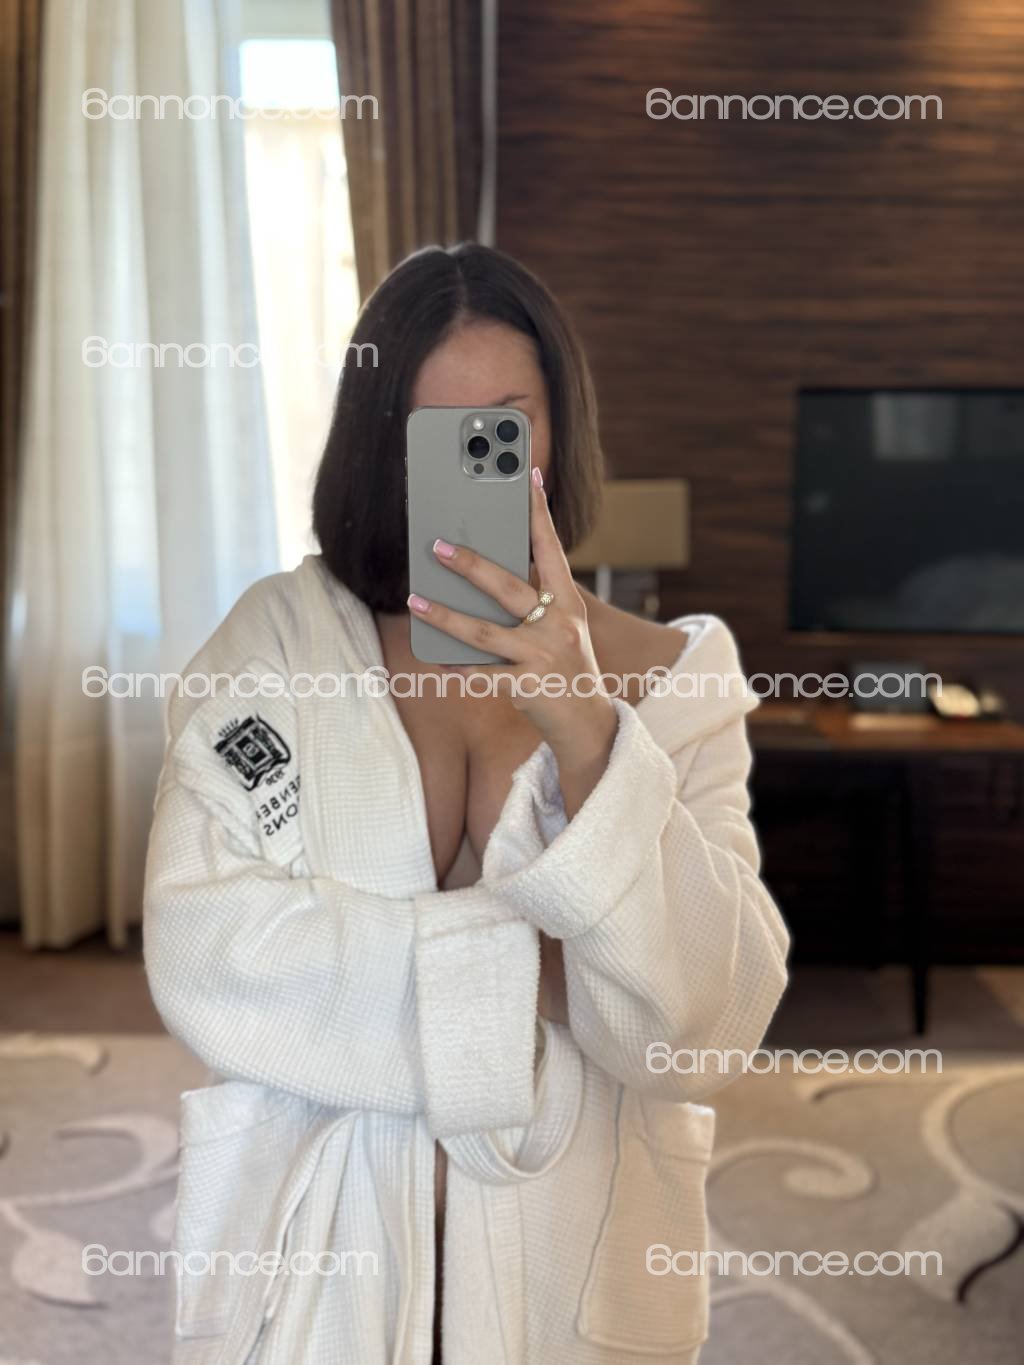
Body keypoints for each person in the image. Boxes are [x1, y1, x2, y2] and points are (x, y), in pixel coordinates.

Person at [143, 242, 790, 1364]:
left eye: (502, 427)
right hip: (318, 1264)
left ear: (558, 430)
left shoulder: (672, 683)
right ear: (378, 444)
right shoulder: (277, 648)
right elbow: (207, 945)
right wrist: (542, 967)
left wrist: (591, 738)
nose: (470, 462)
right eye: (432, 430)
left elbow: (699, 1028)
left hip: (576, 1268)